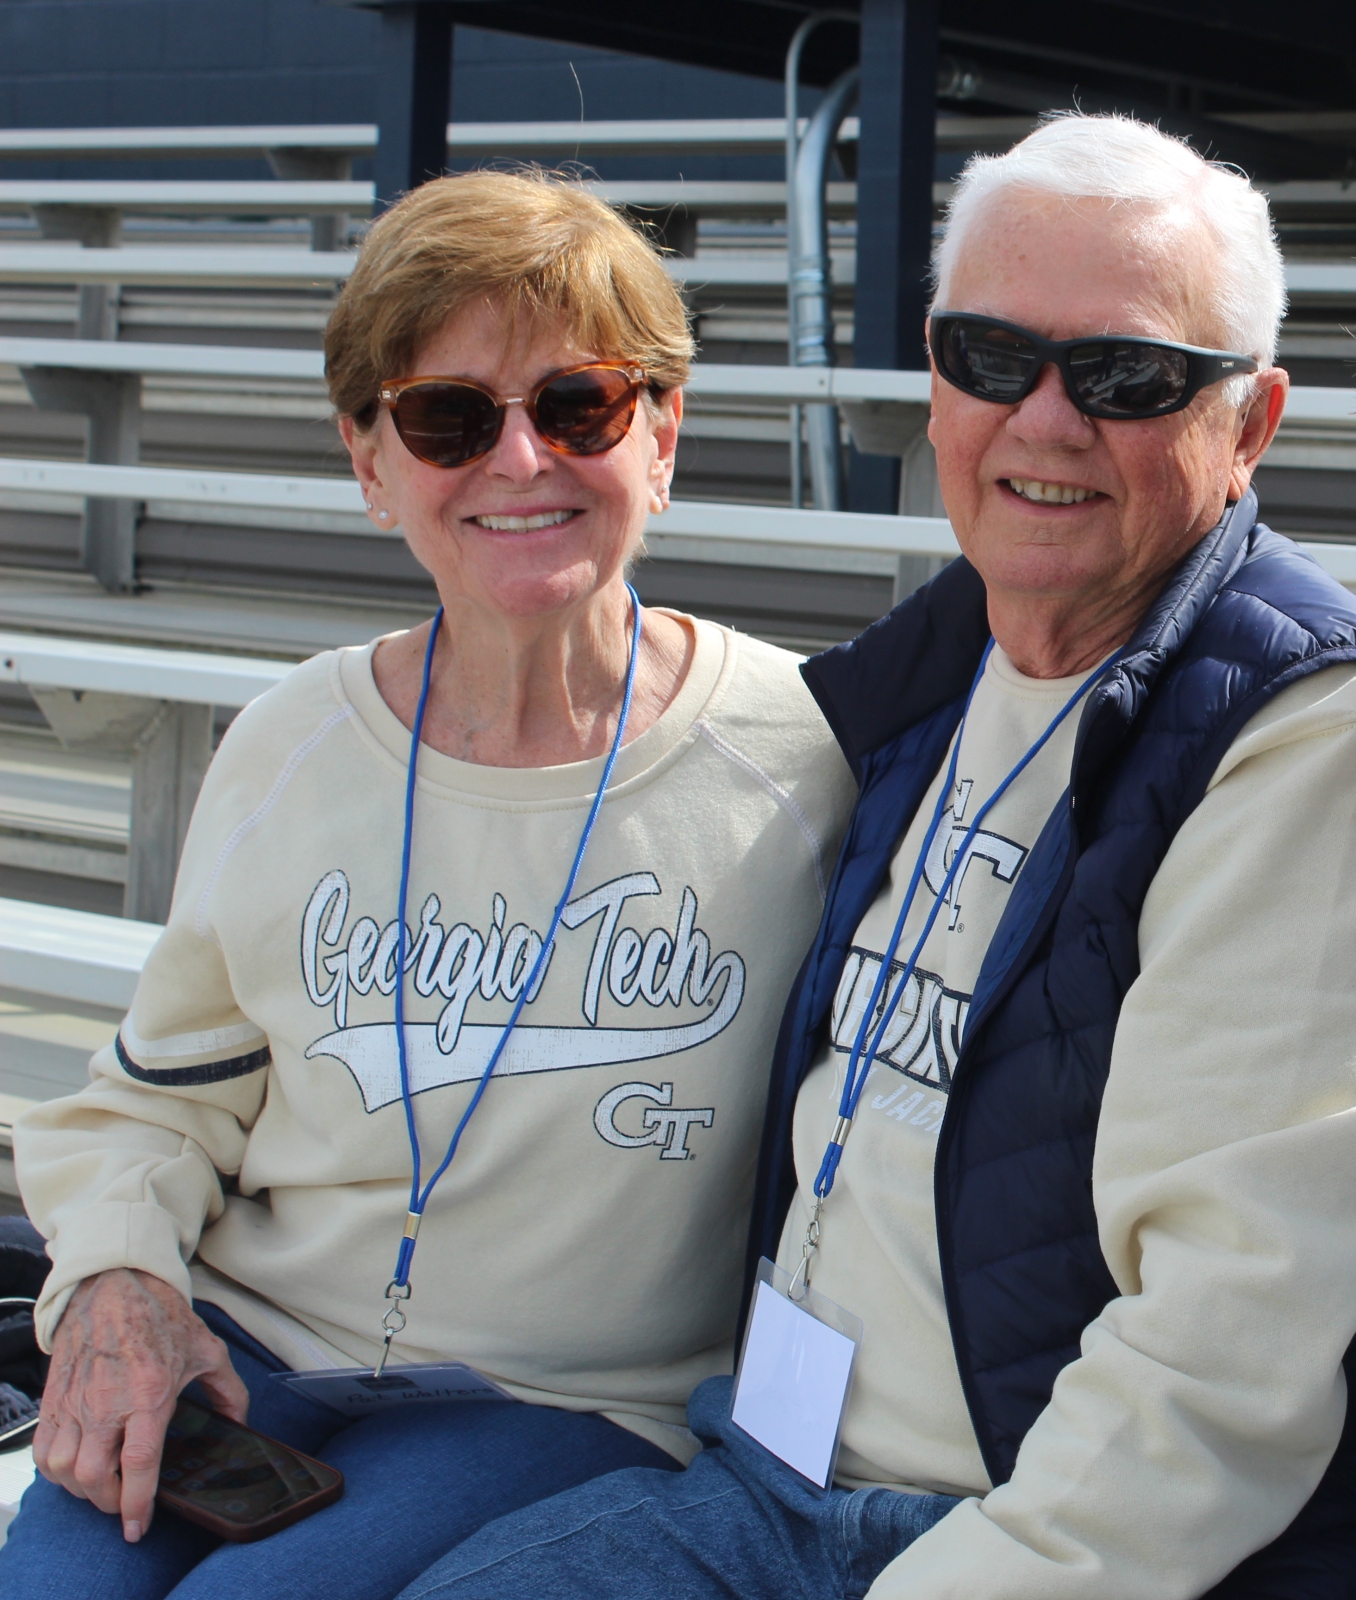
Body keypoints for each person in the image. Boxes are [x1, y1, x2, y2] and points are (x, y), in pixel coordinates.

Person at [397, 113, 1356, 1600]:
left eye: (1127, 377)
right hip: (772, 1480)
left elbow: (1216, 1377)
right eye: (990, 357)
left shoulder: (1322, 757)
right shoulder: (923, 682)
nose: (1045, 421)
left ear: (1250, 424)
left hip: (1025, 1542)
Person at [1, 170, 854, 1598]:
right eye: (448, 418)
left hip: (561, 1405)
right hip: (246, 1357)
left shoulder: (807, 758)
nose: (520, 460)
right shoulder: (291, 739)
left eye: (579, 405)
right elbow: (157, 1095)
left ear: (663, 434)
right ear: (368, 460)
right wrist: (119, 1281)